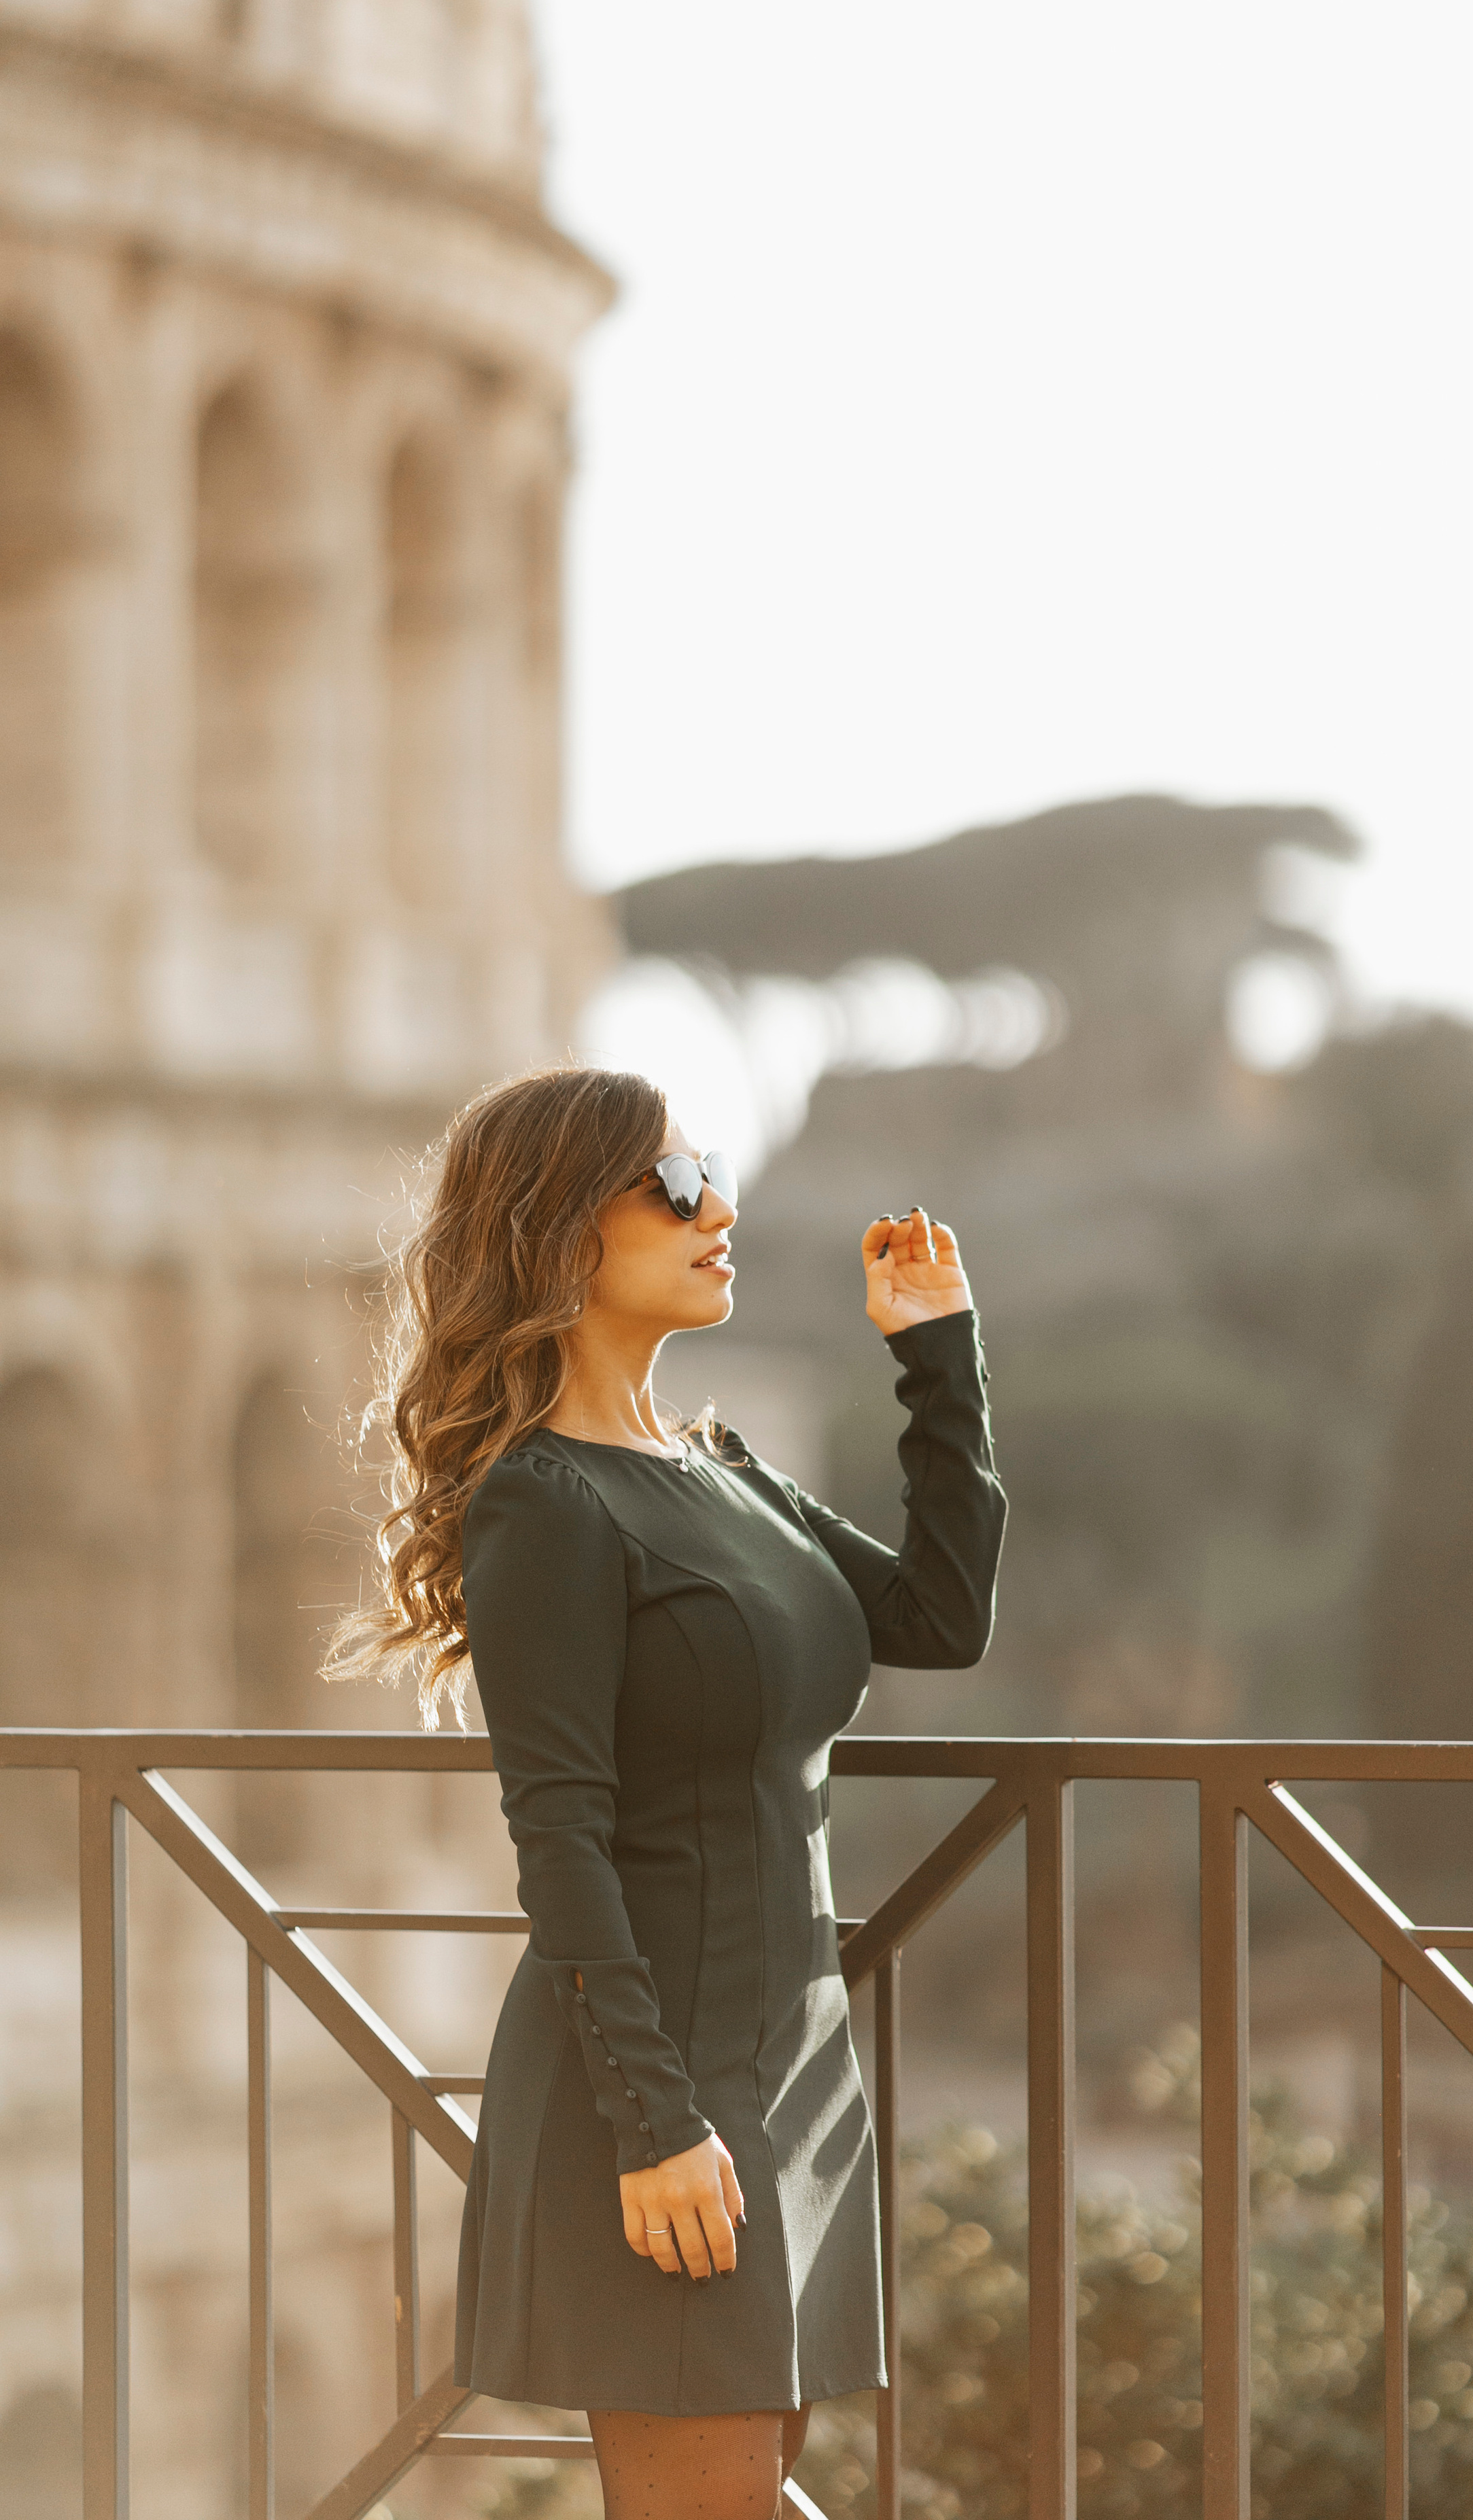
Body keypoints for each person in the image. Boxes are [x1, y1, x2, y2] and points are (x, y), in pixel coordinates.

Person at [327, 1063, 1005, 2520]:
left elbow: (941, 1618)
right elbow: (557, 1833)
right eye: (680, 1185)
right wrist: (652, 2125)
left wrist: (936, 1357)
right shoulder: (544, 1505)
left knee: (747, 2487)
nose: (723, 1208)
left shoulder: (720, 1469)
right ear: (561, 1228)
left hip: (794, 2057)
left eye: (714, 1178)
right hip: (662, 2094)